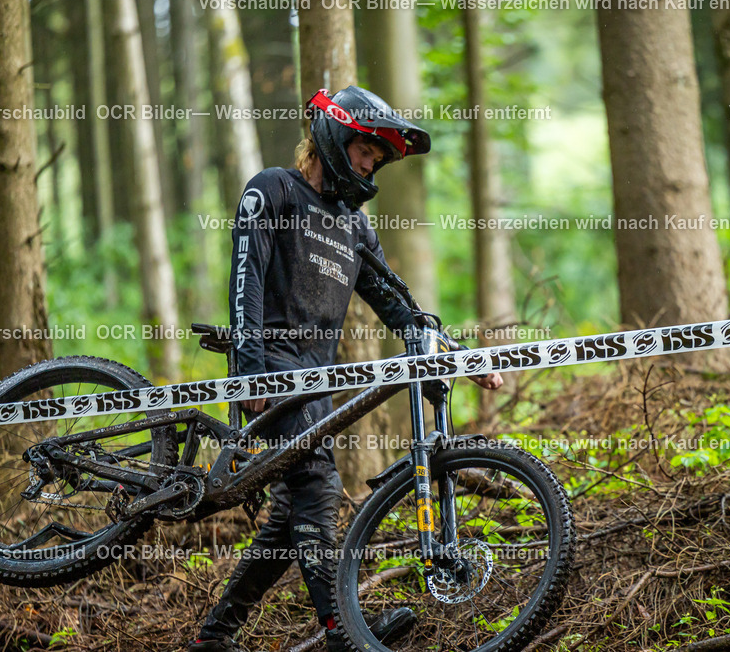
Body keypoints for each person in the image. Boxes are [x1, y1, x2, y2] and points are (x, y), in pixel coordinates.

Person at [189, 86, 503, 652]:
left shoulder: (354, 227)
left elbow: (399, 306)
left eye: (377, 159)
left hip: (316, 380)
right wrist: (251, 371)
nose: (368, 165)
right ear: (335, 140)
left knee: (293, 511)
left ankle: (216, 636)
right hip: (269, 366)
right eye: (365, 151)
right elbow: (246, 279)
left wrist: (457, 354)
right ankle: (344, 631)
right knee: (317, 485)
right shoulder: (273, 189)